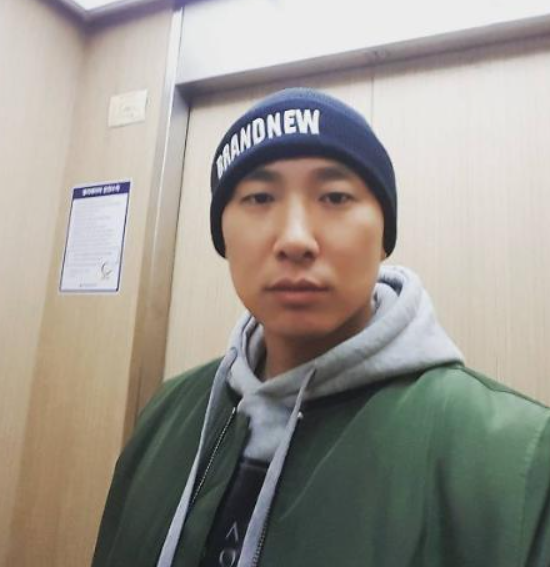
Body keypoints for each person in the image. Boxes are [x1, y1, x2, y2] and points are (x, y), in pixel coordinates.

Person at [92, 88, 550, 567]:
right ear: (222, 236)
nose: (295, 239)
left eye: (335, 197)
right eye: (259, 197)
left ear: (384, 235)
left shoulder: (515, 458)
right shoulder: (165, 415)